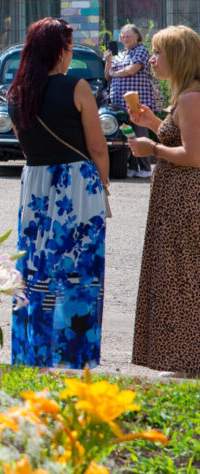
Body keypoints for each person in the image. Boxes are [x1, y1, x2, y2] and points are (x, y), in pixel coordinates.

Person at [7, 17, 108, 369]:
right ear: (59, 51)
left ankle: (31, 353)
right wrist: (104, 185)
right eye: (70, 48)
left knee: (35, 267)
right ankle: (73, 356)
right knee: (78, 268)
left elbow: (25, 146)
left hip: (35, 184)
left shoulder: (16, 94)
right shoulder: (77, 87)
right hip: (77, 186)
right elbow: (97, 147)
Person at [128, 25, 200, 377]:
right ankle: (184, 358)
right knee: (181, 276)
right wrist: (153, 122)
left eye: (159, 53)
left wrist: (152, 148)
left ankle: (187, 360)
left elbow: (194, 155)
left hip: (186, 199)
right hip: (178, 198)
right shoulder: (187, 95)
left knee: (183, 277)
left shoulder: (191, 98)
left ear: (179, 57)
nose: (152, 59)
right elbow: (183, 139)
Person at [104, 23, 159, 177]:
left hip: (137, 99)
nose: (125, 39)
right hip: (118, 100)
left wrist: (114, 73)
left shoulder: (141, 50)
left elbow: (132, 69)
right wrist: (108, 61)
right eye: (123, 36)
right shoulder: (120, 54)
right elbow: (107, 76)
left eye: (129, 36)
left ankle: (146, 168)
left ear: (137, 37)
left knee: (140, 131)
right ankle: (133, 166)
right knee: (128, 133)